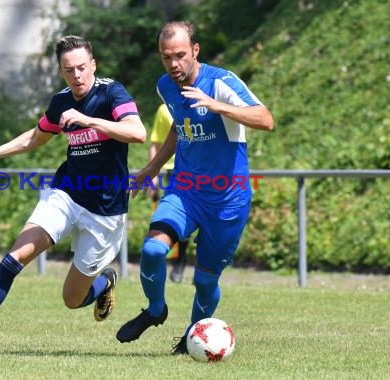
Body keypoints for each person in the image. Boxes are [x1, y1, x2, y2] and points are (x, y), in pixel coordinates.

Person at [0, 35, 146, 355]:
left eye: (82, 68)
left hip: (106, 209)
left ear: (93, 65)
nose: (77, 76)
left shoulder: (112, 93)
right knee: (15, 257)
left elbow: (137, 132)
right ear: (61, 71)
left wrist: (89, 120)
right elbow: (36, 136)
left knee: (72, 299)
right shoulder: (61, 102)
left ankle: (104, 282)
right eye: (69, 70)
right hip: (66, 194)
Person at [116, 21, 273, 354]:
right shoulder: (165, 86)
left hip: (228, 199)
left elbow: (265, 119)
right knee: (153, 250)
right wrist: (152, 167)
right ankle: (156, 310)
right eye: (166, 57)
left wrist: (218, 106)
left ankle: (190, 339)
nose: (173, 64)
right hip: (185, 190)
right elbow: (179, 123)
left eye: (180, 55)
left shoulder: (221, 82)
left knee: (204, 281)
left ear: (195, 50)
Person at [149, 103, 190, 283]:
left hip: (191, 170)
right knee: (165, 220)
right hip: (168, 170)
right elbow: (155, 143)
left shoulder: (198, 104)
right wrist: (153, 174)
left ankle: (181, 262)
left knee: (188, 220)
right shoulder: (163, 109)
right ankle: (165, 262)